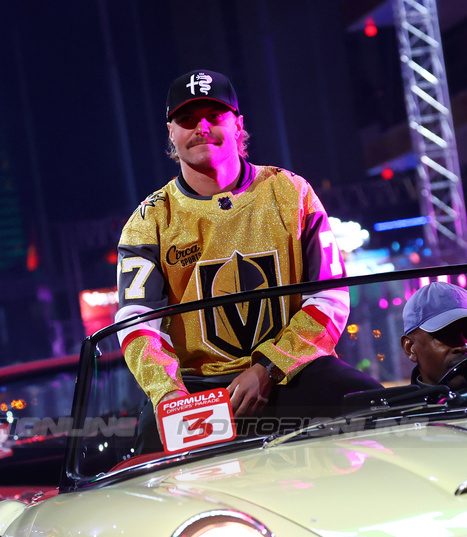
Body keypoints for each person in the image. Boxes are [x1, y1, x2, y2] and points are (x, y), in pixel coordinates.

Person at [115, 68, 380, 435]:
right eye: (187, 119)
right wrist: (170, 397)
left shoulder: (291, 192)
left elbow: (329, 298)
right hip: (197, 388)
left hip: (293, 372)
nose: (201, 128)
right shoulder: (149, 220)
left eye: (214, 116)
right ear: (171, 133)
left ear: (238, 125)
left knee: (375, 406)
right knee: (146, 463)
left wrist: (269, 367)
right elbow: (136, 323)